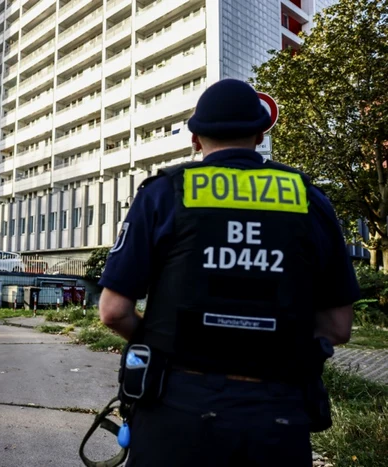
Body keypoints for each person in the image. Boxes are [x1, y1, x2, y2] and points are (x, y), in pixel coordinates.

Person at [98, 79, 359, 467]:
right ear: (259, 134)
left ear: (196, 139)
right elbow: (338, 327)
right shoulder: (310, 199)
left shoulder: (163, 193)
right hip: (278, 413)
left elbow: (113, 311)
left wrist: (165, 343)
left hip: (176, 406)